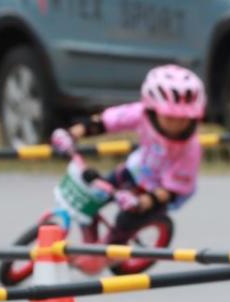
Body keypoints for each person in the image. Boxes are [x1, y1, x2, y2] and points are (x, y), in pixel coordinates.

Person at [50, 64, 205, 245]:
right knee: (96, 192)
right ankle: (91, 233)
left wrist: (142, 202)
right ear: (153, 109)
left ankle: (109, 252)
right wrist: (72, 134)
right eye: (170, 116)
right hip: (137, 169)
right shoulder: (141, 114)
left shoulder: (191, 148)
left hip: (161, 190)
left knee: (126, 221)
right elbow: (105, 122)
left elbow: (171, 190)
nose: (177, 124)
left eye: (184, 118)